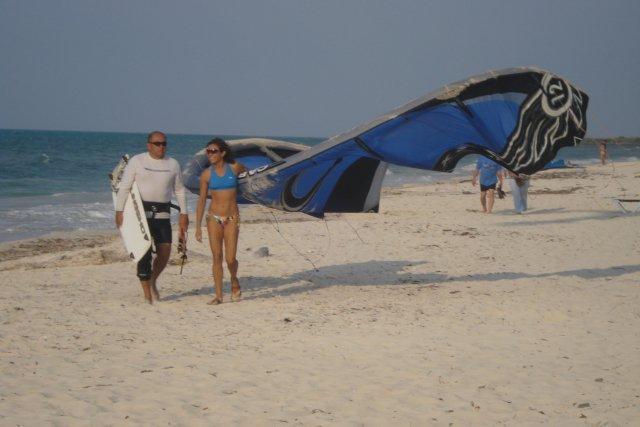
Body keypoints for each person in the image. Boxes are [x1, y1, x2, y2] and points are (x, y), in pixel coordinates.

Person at [115, 131, 189, 304]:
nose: (161, 147)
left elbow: (179, 189)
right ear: (149, 145)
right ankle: (147, 293)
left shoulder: (173, 164)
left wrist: (184, 213)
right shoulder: (137, 161)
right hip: (140, 214)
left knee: (165, 252)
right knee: (144, 254)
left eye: (164, 143)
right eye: (157, 143)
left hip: (163, 214)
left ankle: (153, 280)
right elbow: (125, 187)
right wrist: (119, 211)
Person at [195, 138, 247, 305]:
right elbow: (202, 201)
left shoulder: (235, 168)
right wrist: (197, 227)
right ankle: (218, 296)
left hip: (232, 218)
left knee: (230, 259)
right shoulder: (206, 174)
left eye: (213, 151)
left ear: (222, 153)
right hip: (213, 218)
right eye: (208, 151)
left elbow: (251, 178)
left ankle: (234, 280)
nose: (209, 154)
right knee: (216, 257)